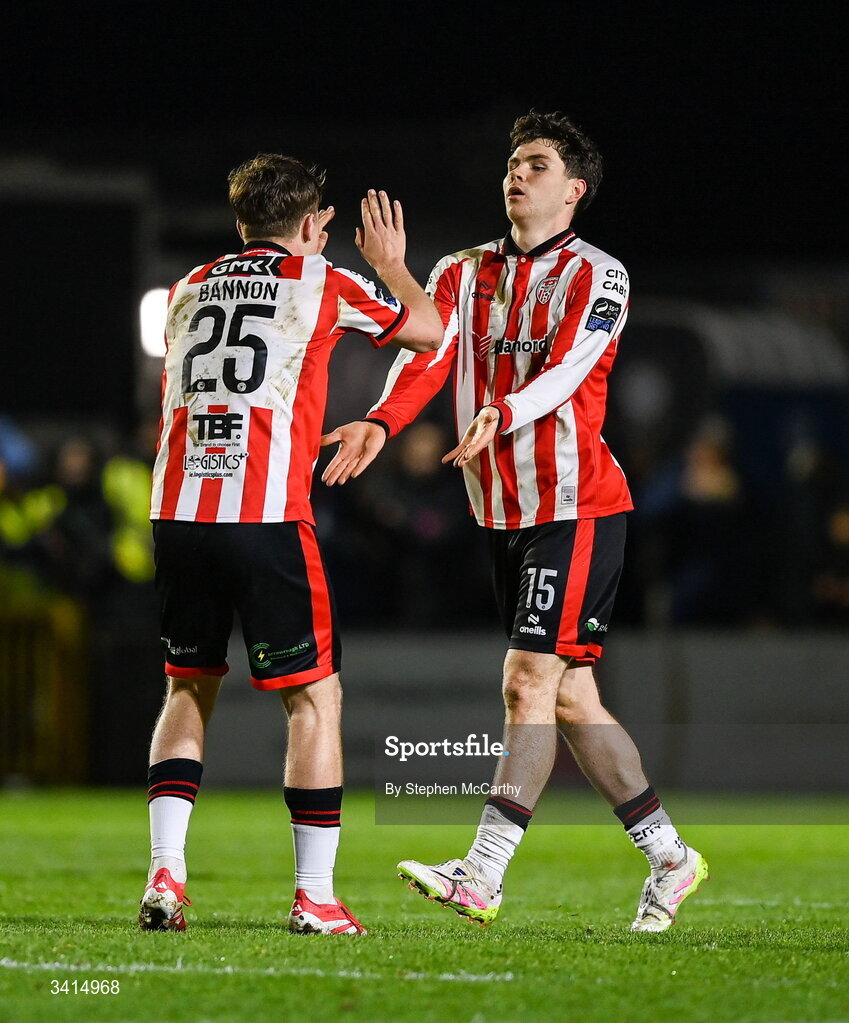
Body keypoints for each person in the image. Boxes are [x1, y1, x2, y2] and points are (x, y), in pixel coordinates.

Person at [321, 112, 708, 933]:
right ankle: (670, 858)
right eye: (511, 162)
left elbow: (572, 365)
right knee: (570, 699)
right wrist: (380, 422)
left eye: (536, 163)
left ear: (573, 190)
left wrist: (505, 408)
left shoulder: (600, 274)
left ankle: (482, 873)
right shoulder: (461, 271)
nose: (516, 173)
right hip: (501, 509)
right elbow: (426, 353)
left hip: (578, 505)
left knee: (525, 680)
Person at [139, 154, 442, 934]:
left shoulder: (186, 287)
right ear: (311, 225)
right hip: (265, 511)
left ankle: (165, 874)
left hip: (177, 510)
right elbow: (429, 331)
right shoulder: (323, 280)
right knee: (314, 699)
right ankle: (314, 894)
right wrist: (392, 267)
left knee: (187, 686)